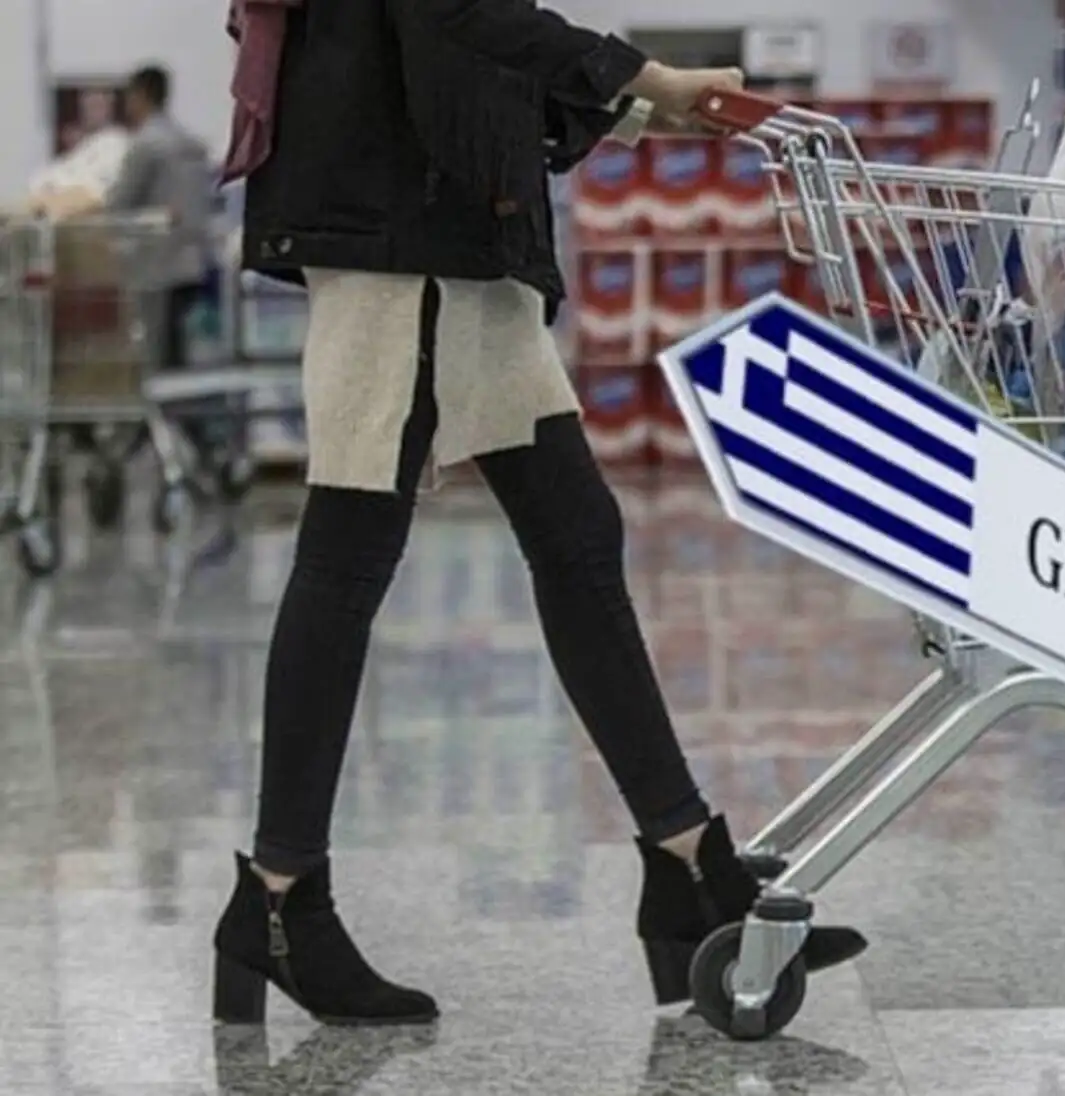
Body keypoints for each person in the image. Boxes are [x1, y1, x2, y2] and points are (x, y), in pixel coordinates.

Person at [208, 0, 866, 1026]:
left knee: (576, 541)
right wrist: (644, 78)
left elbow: (465, 48)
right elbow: (463, 15)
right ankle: (280, 899)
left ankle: (685, 862)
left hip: (458, 240)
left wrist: (641, 112)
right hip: (400, 245)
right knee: (347, 560)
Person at [104, 66, 227, 463]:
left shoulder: (146, 147)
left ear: (141, 96)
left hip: (156, 270)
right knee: (186, 365)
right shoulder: (190, 145)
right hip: (194, 265)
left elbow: (119, 203)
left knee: (157, 365)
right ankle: (204, 445)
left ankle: (158, 442)